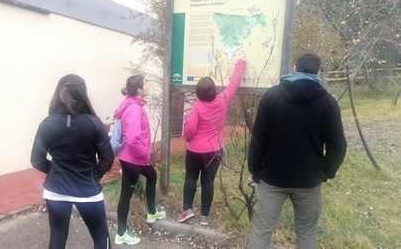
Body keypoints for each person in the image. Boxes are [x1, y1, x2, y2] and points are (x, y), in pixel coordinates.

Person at [247, 53, 347, 249]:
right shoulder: (328, 102)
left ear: (295, 68)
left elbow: (258, 138)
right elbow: (338, 145)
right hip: (308, 182)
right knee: (306, 233)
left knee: (261, 231)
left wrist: (256, 170)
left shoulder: (272, 96)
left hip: (272, 179)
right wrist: (326, 172)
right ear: (317, 72)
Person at [30, 74, 114, 249]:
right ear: (83, 93)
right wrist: (93, 175)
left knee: (58, 237)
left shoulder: (47, 124)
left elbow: (36, 160)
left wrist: (54, 172)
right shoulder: (94, 123)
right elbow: (107, 158)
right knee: (100, 236)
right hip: (87, 189)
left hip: (56, 190)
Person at [177, 59, 246, 226]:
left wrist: (187, 139)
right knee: (208, 182)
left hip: (194, 151)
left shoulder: (197, 107)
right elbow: (233, 84)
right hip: (214, 151)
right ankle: (204, 218)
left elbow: (190, 129)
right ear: (214, 90)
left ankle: (187, 210)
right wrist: (240, 65)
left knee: (191, 178)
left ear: (198, 93)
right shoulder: (222, 100)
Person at [113, 75, 166, 245]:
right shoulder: (134, 109)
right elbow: (134, 139)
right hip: (133, 158)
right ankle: (121, 233)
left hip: (133, 156)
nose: (148, 86)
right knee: (126, 195)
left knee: (152, 176)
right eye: (146, 84)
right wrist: (146, 154)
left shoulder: (131, 103)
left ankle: (151, 212)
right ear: (139, 90)